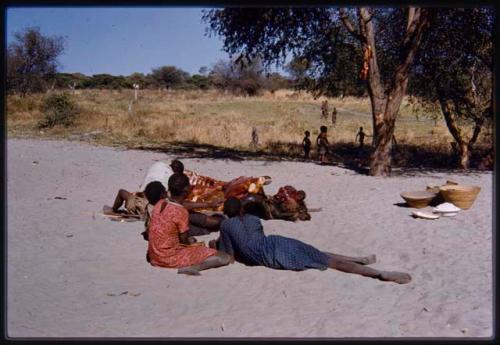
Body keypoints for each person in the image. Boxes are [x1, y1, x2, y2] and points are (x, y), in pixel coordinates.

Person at [212, 197, 411, 284]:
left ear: (225, 213)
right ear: (241, 210)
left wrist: (216, 246)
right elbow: (254, 239)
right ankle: (358, 259)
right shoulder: (253, 219)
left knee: (328, 261)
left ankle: (378, 274)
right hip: (276, 242)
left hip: (274, 254)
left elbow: (230, 257)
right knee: (318, 252)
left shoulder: (225, 226)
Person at [145, 175, 232, 276]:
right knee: (224, 258)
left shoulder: (160, 204)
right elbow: (184, 241)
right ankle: (193, 267)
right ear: (186, 190)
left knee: (194, 241)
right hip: (168, 258)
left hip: (154, 256)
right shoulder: (181, 211)